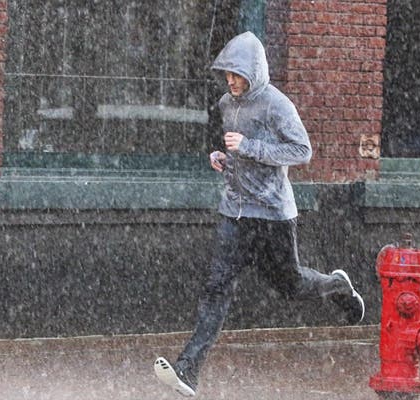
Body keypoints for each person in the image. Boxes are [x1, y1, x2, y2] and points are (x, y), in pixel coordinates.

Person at [153, 32, 365, 397]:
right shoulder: (225, 103)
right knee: (216, 287)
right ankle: (188, 369)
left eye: (237, 74)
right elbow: (237, 155)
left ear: (253, 71)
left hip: (272, 215)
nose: (231, 81)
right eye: (227, 74)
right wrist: (223, 159)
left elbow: (301, 151)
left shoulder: (276, 105)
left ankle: (338, 286)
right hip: (234, 213)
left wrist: (249, 147)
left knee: (290, 285)